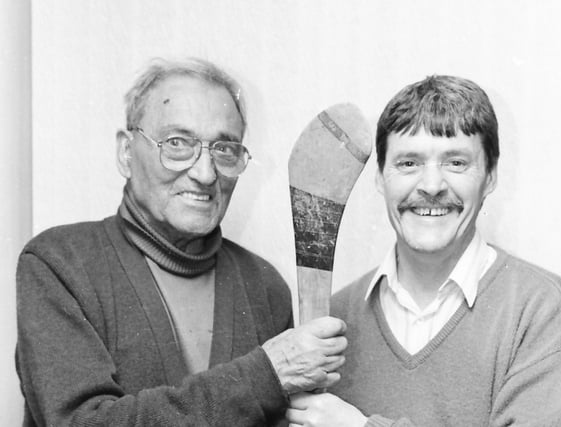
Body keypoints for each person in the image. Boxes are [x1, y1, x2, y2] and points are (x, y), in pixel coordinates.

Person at [15, 58, 347, 426]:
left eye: (224, 149)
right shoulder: (58, 264)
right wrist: (266, 375)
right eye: (177, 143)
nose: (205, 173)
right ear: (126, 152)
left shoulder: (264, 285)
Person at [285, 75, 561, 426]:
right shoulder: (332, 322)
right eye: (409, 163)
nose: (431, 186)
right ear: (380, 177)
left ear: (490, 176)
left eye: (456, 162)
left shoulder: (541, 311)